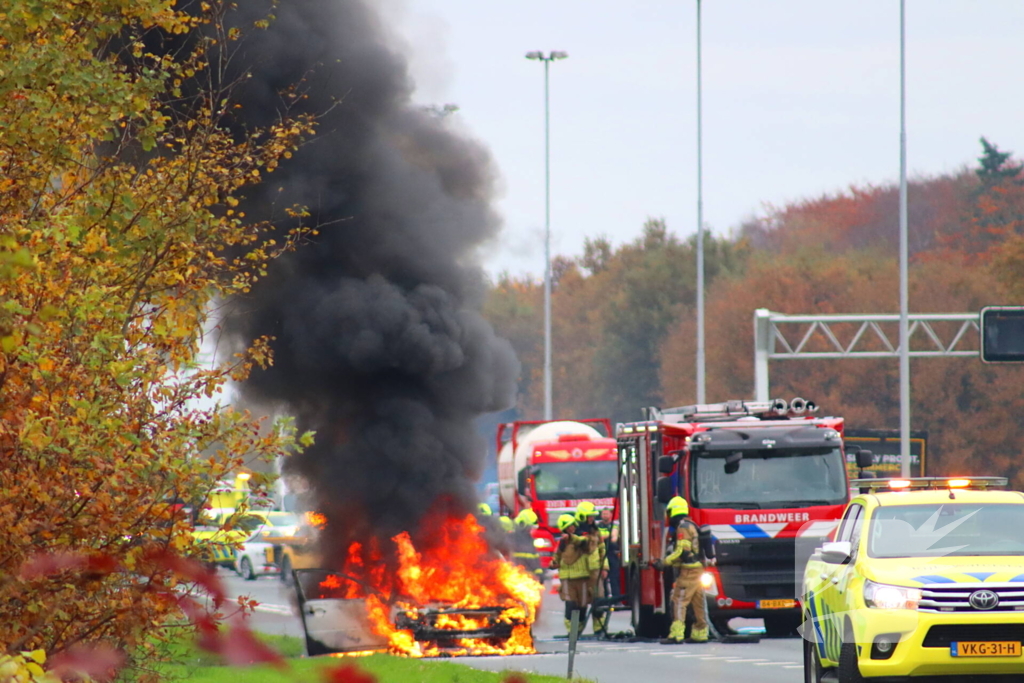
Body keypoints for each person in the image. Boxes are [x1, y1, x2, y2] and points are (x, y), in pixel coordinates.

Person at [658, 496, 708, 643]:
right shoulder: (691, 524)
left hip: (688, 571)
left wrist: (664, 562)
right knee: (698, 602)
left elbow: (682, 551)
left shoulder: (683, 528)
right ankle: (700, 633)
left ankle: (676, 634)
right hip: (698, 569)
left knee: (679, 600)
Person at [549, 513, 591, 634]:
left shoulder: (582, 538)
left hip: (582, 576)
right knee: (570, 604)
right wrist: (553, 563)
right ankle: (571, 631)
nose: (571, 529)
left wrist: (571, 537)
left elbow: (585, 542)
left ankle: (579, 629)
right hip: (567, 577)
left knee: (582, 605)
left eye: (572, 526)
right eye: (568, 528)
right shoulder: (561, 543)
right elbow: (556, 555)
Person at [575, 502, 608, 634]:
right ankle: (576, 629)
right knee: (580, 603)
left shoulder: (596, 530)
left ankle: (599, 628)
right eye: (589, 516)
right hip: (580, 572)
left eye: (593, 517)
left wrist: (604, 567)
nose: (592, 519)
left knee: (599, 600)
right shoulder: (574, 532)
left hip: (595, 570)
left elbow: (602, 549)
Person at [511, 509, 543, 581]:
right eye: (530, 527)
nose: (531, 530)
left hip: (527, 577)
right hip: (515, 576)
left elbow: (534, 558)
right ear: (523, 524)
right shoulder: (511, 537)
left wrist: (539, 573)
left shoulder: (529, 539)